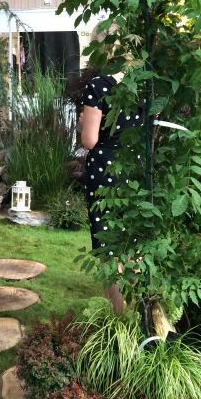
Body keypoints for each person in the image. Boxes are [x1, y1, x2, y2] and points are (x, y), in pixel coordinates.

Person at [80, 55, 142, 315]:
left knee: (107, 241)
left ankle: (119, 315)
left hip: (106, 170)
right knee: (133, 239)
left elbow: (90, 140)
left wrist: (83, 122)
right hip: (136, 168)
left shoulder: (99, 85)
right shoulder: (146, 87)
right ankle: (136, 312)